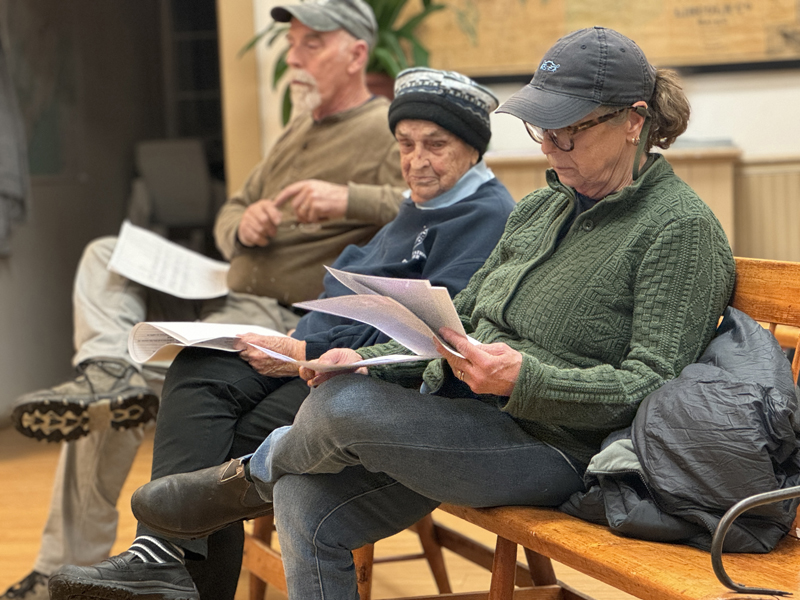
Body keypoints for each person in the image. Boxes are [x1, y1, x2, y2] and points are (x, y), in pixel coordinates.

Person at [100, 26, 737, 600]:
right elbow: (453, 323)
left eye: (569, 131)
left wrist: (527, 380)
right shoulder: (544, 210)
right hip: (462, 419)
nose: (551, 148)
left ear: (634, 121)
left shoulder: (679, 230)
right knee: (312, 476)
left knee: (338, 408)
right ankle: (270, 474)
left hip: (558, 447)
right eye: (542, 131)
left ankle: (248, 476)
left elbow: (652, 387)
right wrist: (364, 360)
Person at [45, 67, 515, 600]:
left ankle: (168, 564)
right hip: (315, 359)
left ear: (473, 149)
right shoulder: (417, 207)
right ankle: (164, 559)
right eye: (405, 144)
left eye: (435, 144)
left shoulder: (487, 215)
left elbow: (431, 335)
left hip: (368, 386)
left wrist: (304, 351)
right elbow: (346, 293)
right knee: (199, 363)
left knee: (211, 443)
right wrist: (294, 338)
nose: (416, 161)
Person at [1, 1, 408, 598]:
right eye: (292, 44)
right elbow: (229, 213)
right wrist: (246, 227)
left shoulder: (386, 130)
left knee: (106, 413)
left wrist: (347, 200)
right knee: (103, 255)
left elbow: (426, 206)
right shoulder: (296, 129)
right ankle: (110, 366)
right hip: (230, 290)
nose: (294, 56)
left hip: (285, 311)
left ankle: (75, 543)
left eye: (311, 43)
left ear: (356, 52)